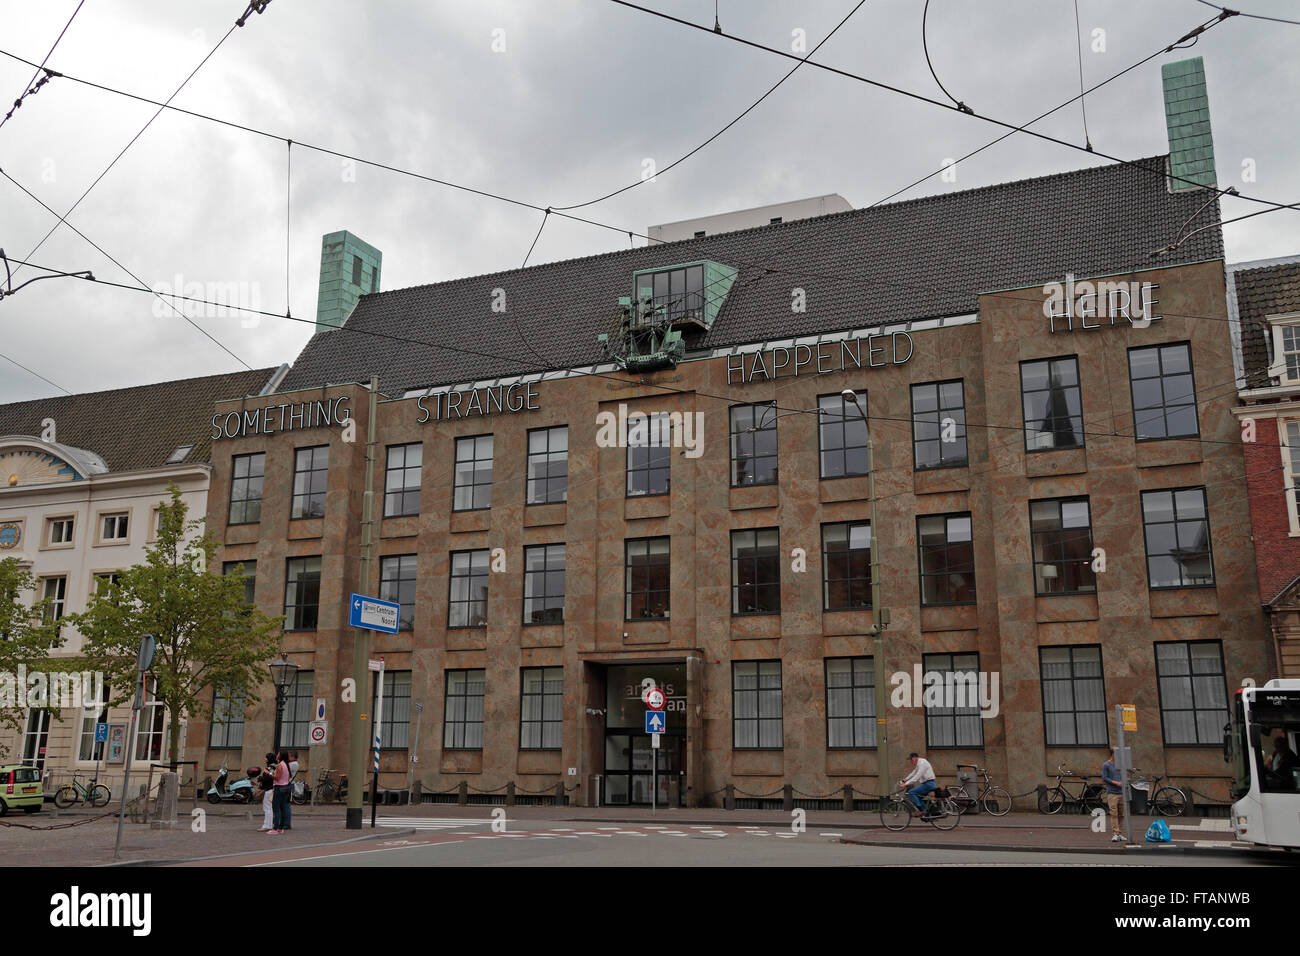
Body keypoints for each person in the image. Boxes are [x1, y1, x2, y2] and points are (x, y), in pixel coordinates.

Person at [1101, 748, 1124, 843]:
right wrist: (1115, 782)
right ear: (1112, 754)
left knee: (1121, 814)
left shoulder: (1120, 765)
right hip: (1112, 793)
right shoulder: (1106, 765)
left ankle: (1119, 833)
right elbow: (1104, 778)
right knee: (1114, 814)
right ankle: (1115, 834)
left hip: (1122, 792)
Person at [269, 750, 290, 835]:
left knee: (276, 808)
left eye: (278, 754)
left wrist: (269, 774)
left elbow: (277, 777)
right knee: (282, 808)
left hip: (279, 787)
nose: (277, 755)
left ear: (280, 756)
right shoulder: (286, 764)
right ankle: (280, 828)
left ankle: (275, 828)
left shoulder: (280, 765)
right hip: (286, 787)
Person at [256, 753, 275, 831]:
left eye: (266, 757)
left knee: (267, 808)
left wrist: (261, 778)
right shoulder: (274, 766)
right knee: (269, 808)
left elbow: (268, 778)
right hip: (270, 788)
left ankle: (267, 825)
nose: (265, 759)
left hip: (268, 789)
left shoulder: (270, 767)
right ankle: (269, 824)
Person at [283, 751, 299, 830]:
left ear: (292, 757)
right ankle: (285, 822)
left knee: (286, 805)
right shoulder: (293, 764)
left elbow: (283, 768)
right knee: (285, 805)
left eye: (288, 756)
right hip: (288, 784)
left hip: (288, 785)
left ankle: (286, 823)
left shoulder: (293, 764)